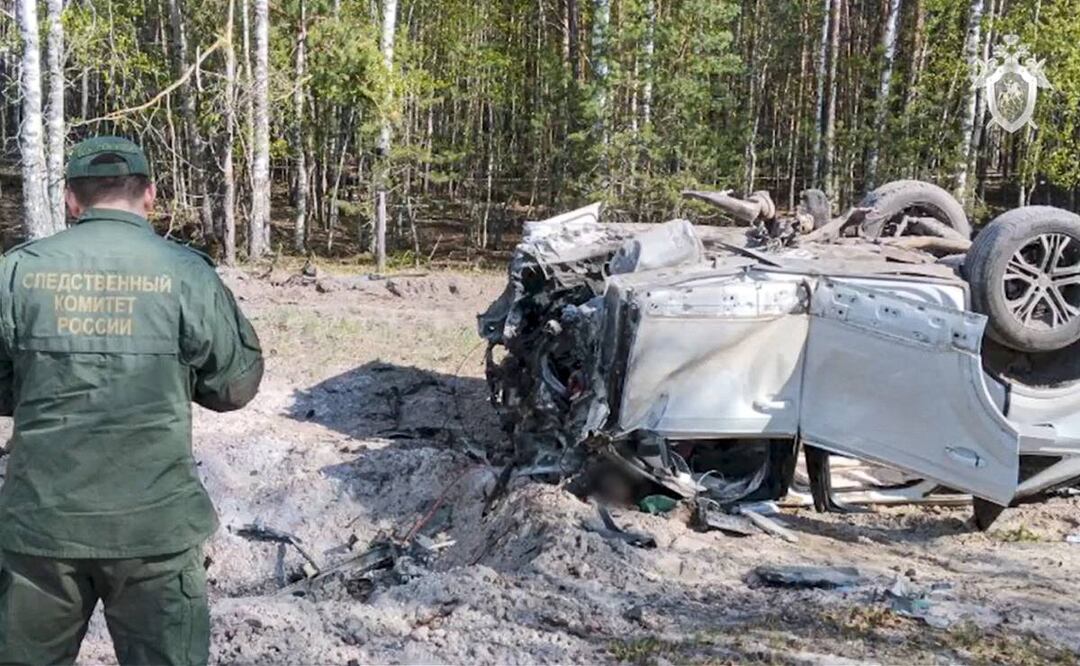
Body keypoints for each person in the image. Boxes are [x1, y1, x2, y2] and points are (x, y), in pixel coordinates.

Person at [0, 136, 264, 665]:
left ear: (71, 200)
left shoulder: (17, 271)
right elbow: (235, 386)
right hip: (155, 530)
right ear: (150, 194)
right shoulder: (185, 273)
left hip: (42, 529)